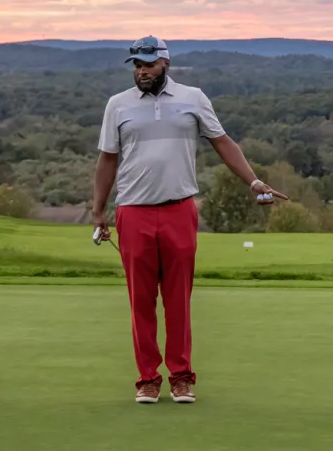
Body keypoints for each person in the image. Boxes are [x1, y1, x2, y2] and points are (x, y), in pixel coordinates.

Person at [92, 36, 285, 405]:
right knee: (141, 302)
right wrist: (98, 210)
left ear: (165, 63)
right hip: (133, 211)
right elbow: (107, 160)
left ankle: (181, 376)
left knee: (178, 299)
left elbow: (223, 142)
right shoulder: (118, 105)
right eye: (136, 64)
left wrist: (254, 181)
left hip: (180, 209)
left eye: (148, 63)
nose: (141, 70)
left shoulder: (193, 98)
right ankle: (148, 378)